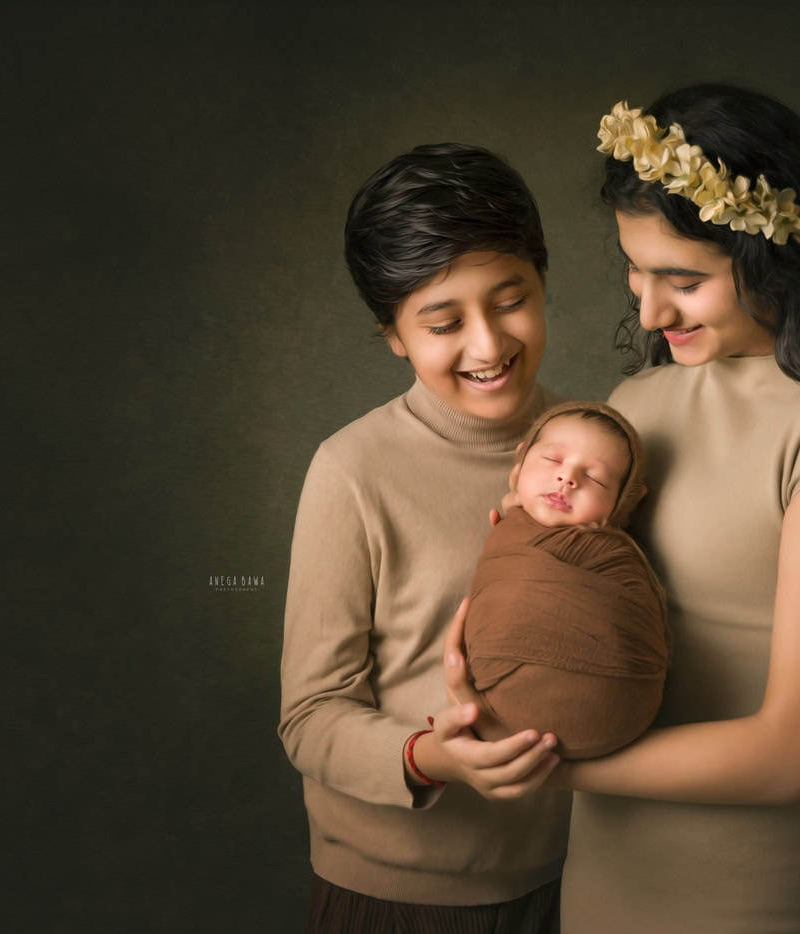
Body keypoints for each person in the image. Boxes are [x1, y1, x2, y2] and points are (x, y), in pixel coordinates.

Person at [440, 85, 800, 933]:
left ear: (777, 255)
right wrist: (496, 680)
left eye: (682, 279)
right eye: (634, 272)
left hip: (754, 896)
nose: (648, 311)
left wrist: (543, 767)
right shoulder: (633, 406)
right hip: (604, 882)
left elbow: (797, 756)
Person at [279, 143, 571, 933]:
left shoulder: (597, 448)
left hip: (579, 877)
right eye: (444, 323)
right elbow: (310, 716)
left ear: (543, 284)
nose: (487, 345)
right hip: (397, 894)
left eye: (511, 300)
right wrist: (426, 758)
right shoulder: (351, 471)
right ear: (394, 337)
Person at [464, 401, 669, 759]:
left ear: (624, 503)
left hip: (619, 702)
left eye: (595, 478)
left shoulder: (613, 556)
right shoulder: (510, 528)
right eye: (553, 460)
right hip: (505, 703)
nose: (567, 478)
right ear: (520, 462)